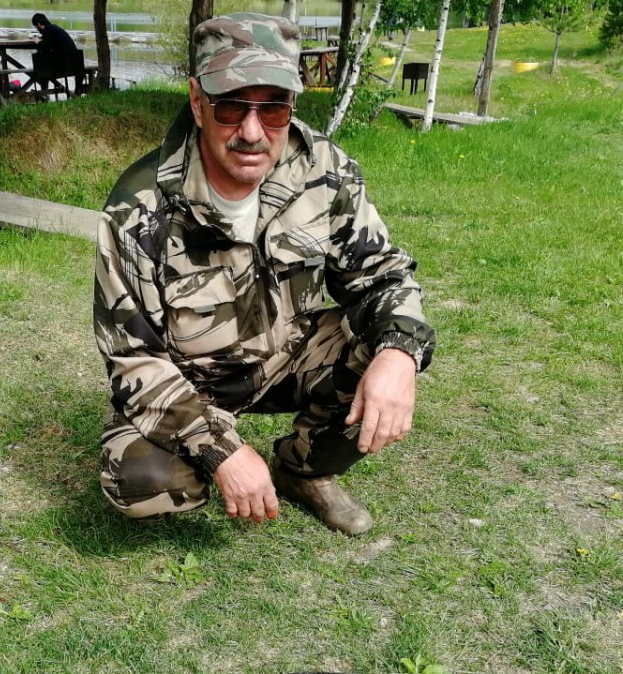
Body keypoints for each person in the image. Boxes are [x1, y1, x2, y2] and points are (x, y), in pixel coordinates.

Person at [93, 12, 435, 537]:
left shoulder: (324, 169)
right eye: (231, 107)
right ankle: (208, 459)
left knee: (383, 352)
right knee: (142, 483)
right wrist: (225, 451)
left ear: (291, 105)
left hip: (286, 353)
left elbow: (383, 276)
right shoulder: (138, 208)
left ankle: (304, 472)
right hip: (190, 379)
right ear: (197, 101)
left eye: (273, 109)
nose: (252, 132)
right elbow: (132, 359)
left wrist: (399, 354)